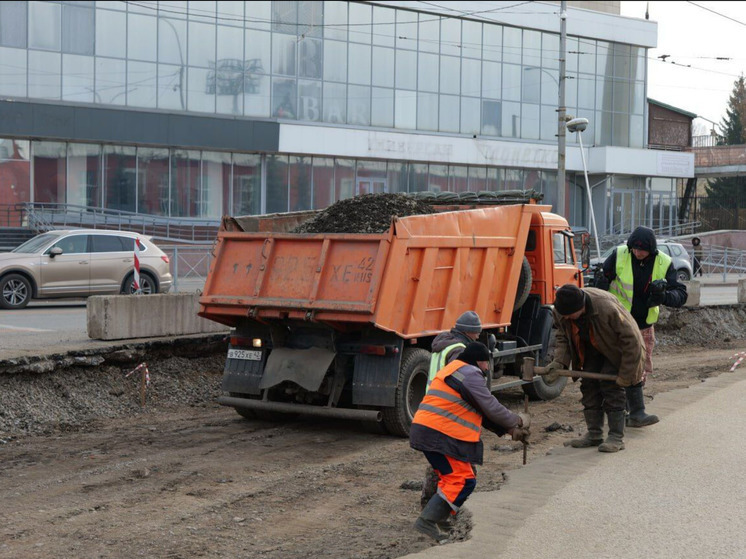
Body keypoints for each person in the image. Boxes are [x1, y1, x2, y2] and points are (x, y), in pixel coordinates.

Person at [410, 342, 529, 543]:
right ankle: (428, 521)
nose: (487, 369)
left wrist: (508, 430)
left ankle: (440, 519)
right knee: (463, 480)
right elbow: (490, 405)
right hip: (439, 433)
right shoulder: (470, 373)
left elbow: (481, 411)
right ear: (481, 361)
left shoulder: (455, 370)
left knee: (452, 478)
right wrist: (517, 420)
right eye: (487, 364)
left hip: (428, 431)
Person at [599, 226, 688, 427]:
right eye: (635, 249)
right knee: (618, 365)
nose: (638, 253)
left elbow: (681, 295)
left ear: (652, 250)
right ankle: (627, 410)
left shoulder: (664, 262)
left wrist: (663, 296)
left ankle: (633, 411)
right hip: (618, 323)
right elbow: (602, 281)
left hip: (643, 326)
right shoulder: (620, 254)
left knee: (639, 367)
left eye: (642, 250)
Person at [544, 284, 644, 453]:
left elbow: (632, 340)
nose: (567, 318)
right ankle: (594, 434)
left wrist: (627, 374)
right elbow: (563, 335)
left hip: (615, 349)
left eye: (570, 315)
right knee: (589, 386)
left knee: (612, 388)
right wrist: (559, 362)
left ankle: (616, 437)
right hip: (590, 347)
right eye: (564, 315)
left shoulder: (605, 307)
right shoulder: (561, 312)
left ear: (581, 307)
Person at [420, 311, 483, 509]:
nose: (479, 336)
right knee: (460, 463)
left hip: (433, 406)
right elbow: (463, 382)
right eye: (477, 332)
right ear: (469, 332)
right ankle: (446, 506)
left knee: (440, 463)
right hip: (450, 410)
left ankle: (431, 501)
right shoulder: (460, 350)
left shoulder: (442, 345)